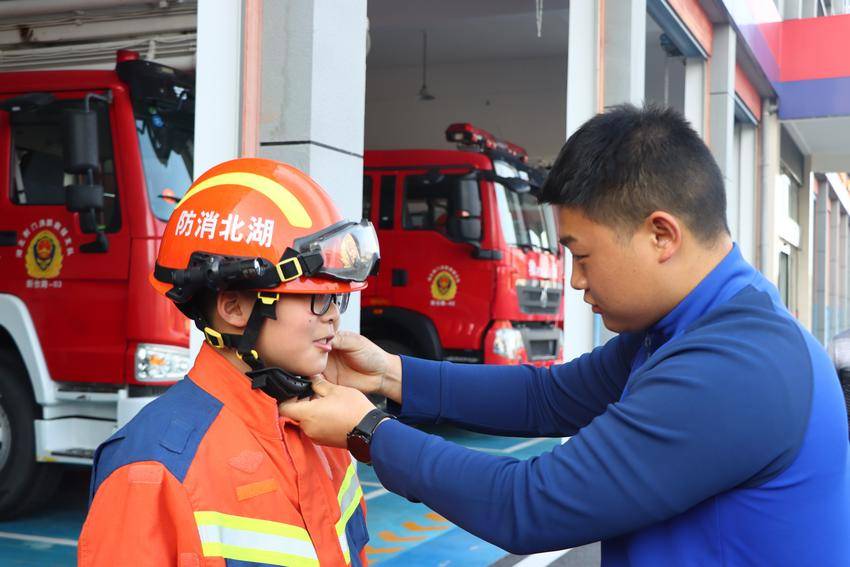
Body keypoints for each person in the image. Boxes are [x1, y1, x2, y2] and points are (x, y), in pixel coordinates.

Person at [281, 105, 850, 566]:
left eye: (582, 255)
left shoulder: (736, 365)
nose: (575, 280)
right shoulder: (686, 327)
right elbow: (548, 397)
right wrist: (388, 373)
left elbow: (530, 506)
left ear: (661, 235)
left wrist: (369, 431)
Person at [78, 158, 380, 567]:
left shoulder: (327, 429)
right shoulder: (152, 467)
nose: (333, 317)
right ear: (235, 308)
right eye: (316, 298)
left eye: (337, 298)